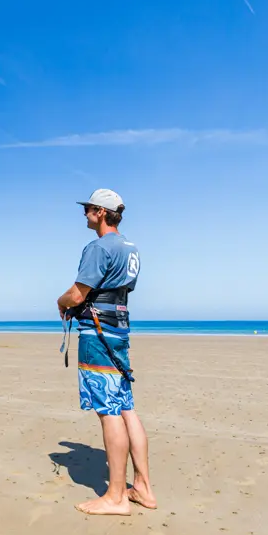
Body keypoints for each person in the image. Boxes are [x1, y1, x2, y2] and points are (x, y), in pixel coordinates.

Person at [56, 189, 156, 516]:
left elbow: (78, 292)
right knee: (125, 405)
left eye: (87, 209)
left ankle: (115, 496)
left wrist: (61, 303)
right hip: (120, 328)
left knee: (107, 409)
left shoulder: (99, 247)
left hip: (98, 332)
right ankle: (142, 486)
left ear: (100, 212)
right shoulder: (131, 248)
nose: (84, 214)